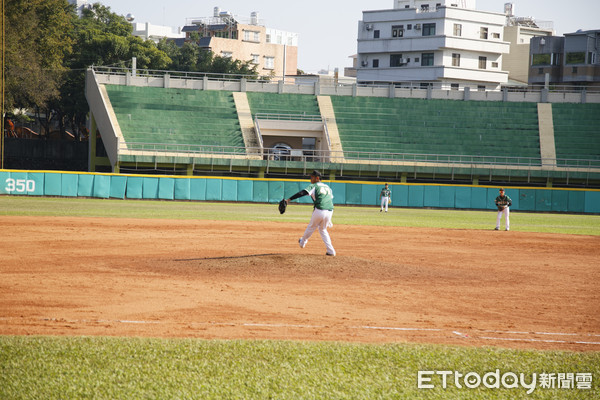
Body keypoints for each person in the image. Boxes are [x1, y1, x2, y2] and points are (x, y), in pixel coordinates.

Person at [285, 170, 336, 256]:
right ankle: (331, 251)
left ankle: (302, 242)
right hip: (330, 211)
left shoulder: (314, 186)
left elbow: (303, 192)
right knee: (323, 229)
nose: (310, 178)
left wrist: (288, 199)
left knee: (311, 227)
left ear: (317, 178)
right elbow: (329, 198)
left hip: (320, 210)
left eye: (312, 177)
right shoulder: (327, 187)